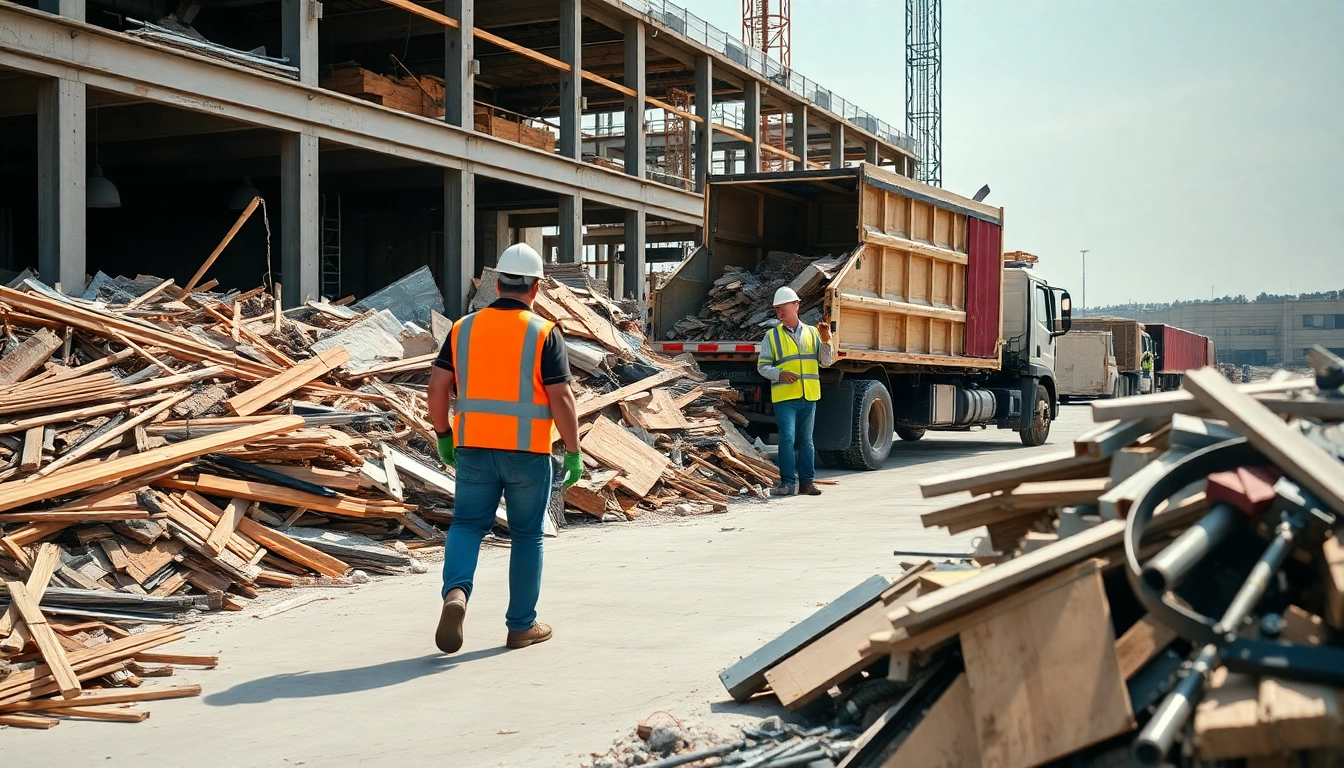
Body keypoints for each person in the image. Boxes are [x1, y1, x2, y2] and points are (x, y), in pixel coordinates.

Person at [426, 243, 584, 654]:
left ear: (497, 283)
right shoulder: (544, 332)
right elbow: (561, 398)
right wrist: (572, 449)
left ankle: (456, 594)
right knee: (527, 536)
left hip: (474, 447)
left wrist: (444, 433)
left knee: (466, 525)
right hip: (527, 452)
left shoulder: (463, 328)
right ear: (536, 287)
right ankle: (520, 626)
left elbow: (438, 386)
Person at [756, 286, 835, 497]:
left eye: (783, 308)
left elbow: (826, 362)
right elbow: (762, 367)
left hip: (808, 395)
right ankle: (788, 483)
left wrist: (826, 340)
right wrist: (780, 374)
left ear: (796, 306)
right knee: (788, 440)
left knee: (807, 442)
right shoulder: (771, 337)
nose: (780, 313)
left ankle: (807, 483)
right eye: (777, 309)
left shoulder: (813, 333)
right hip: (785, 398)